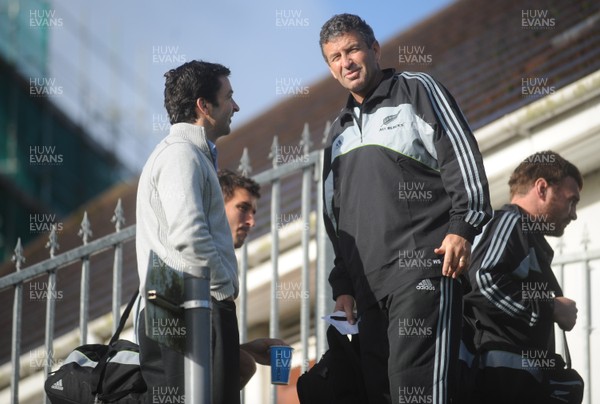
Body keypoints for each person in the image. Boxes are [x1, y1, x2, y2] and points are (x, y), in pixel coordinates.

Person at [319, 14, 492, 404]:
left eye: (352, 50)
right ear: (330, 69)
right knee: (382, 392)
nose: (345, 62)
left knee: (416, 390)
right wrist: (343, 285)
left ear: (374, 49)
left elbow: (460, 157)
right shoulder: (337, 134)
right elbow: (335, 218)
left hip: (424, 271)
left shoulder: (416, 90)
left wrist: (464, 226)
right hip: (367, 291)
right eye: (334, 57)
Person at [136, 60, 241, 404]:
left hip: (178, 305)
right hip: (186, 307)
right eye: (229, 97)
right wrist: (225, 291)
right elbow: (189, 235)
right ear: (203, 106)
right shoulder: (181, 155)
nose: (236, 106)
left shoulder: (187, 155)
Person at [462, 150, 582, 404]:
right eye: (572, 201)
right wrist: (551, 308)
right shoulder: (511, 221)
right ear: (542, 188)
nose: (573, 214)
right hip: (500, 381)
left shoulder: (526, 236)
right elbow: (483, 282)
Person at [217, 168, 288, 388]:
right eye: (243, 208)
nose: (251, 222)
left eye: (254, 212)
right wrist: (244, 361)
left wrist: (246, 350)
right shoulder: (187, 262)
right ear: (215, 205)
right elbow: (177, 357)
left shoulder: (223, 264)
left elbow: (201, 350)